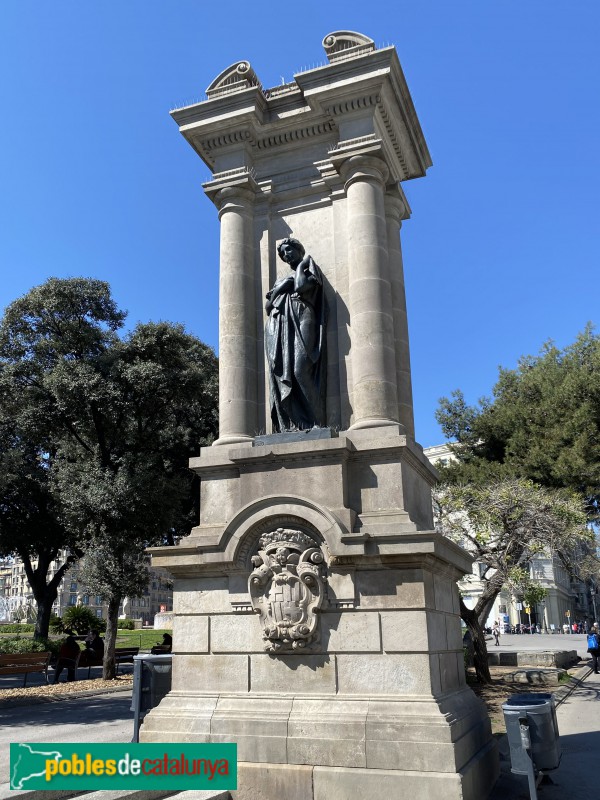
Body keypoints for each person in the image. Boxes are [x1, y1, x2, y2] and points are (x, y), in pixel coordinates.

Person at [265, 238, 327, 432]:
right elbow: (268, 307)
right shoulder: (281, 281)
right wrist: (281, 289)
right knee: (283, 371)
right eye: (283, 253)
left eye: (289, 250)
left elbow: (301, 287)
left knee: (301, 370)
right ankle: (293, 423)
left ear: (299, 250)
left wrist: (301, 266)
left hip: (303, 316)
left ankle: (317, 422)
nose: (286, 254)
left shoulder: (310, 272)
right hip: (279, 324)